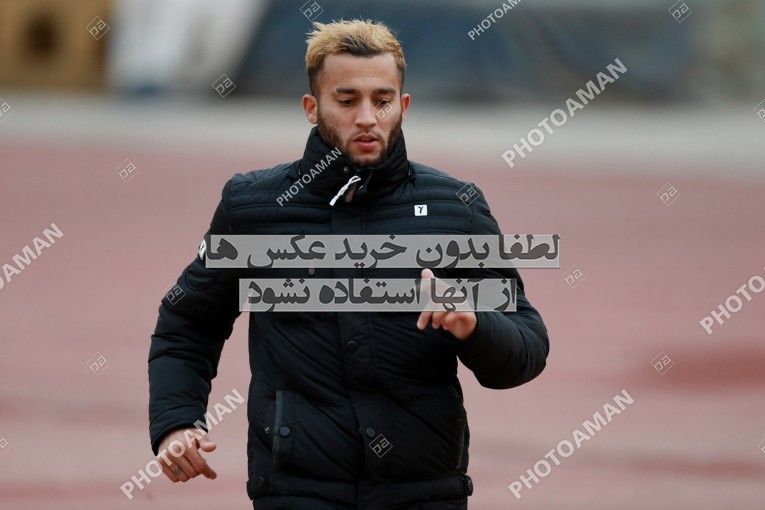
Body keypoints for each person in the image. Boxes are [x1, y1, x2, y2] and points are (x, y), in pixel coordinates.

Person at [148, 19, 549, 510]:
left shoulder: (456, 209)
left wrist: (476, 324)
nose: (366, 117)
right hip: (297, 491)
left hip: (424, 491)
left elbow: (527, 348)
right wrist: (177, 422)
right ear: (311, 107)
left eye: (382, 100)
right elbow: (187, 323)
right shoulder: (254, 207)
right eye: (346, 100)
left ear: (403, 106)